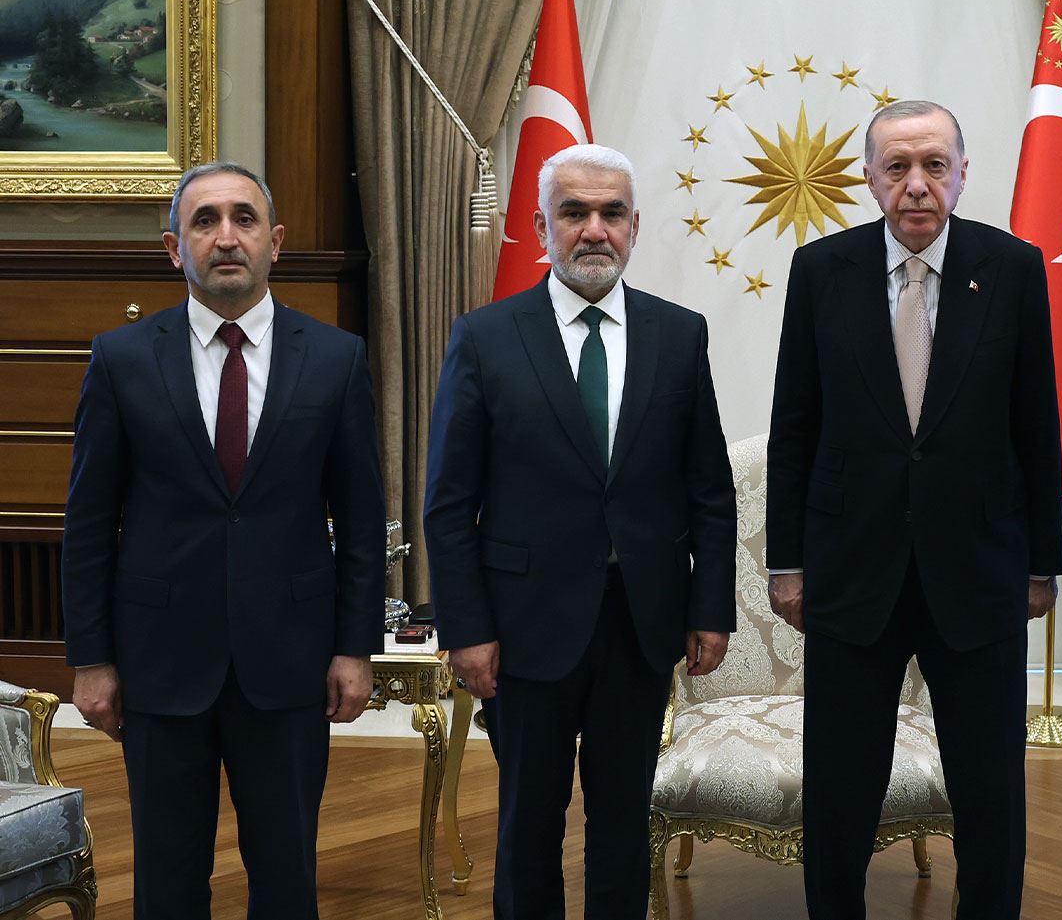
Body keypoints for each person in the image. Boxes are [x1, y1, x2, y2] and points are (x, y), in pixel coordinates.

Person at [62, 161, 387, 920]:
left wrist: (354, 647)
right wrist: (91, 658)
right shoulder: (122, 358)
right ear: (174, 247)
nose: (226, 237)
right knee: (168, 882)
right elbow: (89, 523)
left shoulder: (336, 358)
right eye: (204, 221)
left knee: (286, 877)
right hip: (159, 664)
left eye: (244, 218)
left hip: (290, 661)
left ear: (275, 241)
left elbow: (360, 519)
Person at [767, 100, 1062, 919]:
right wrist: (787, 561)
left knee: (991, 789)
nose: (917, 184)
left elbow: (1036, 425)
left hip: (980, 570)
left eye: (935, 165)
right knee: (840, 789)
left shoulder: (1013, 267)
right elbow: (795, 426)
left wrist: (1042, 563)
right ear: (869, 179)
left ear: (963, 174)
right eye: (896, 167)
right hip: (851, 572)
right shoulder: (821, 270)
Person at [424, 143, 736, 920]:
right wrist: (466, 627)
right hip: (522, 627)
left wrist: (709, 607)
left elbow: (709, 489)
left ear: (634, 226)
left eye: (611, 212)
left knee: (624, 820)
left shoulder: (679, 334)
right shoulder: (486, 336)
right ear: (541, 227)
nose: (594, 229)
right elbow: (449, 503)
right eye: (574, 212)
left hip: (641, 621)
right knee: (529, 820)